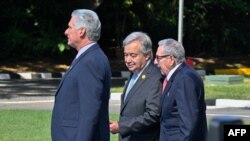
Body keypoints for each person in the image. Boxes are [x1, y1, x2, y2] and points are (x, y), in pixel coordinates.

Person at [51, 9, 111, 141]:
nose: (66, 31)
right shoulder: (87, 57)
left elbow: (89, 112)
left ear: (81, 31)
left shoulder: (92, 61)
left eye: (70, 27)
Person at [109, 31, 162, 141]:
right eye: (126, 55)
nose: (128, 60)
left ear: (147, 55)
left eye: (133, 55)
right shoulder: (135, 72)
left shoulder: (155, 77)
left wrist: (122, 126)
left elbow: (153, 115)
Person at [154, 38, 207, 141]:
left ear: (171, 59)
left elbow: (188, 124)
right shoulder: (178, 76)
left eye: (158, 58)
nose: (155, 62)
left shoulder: (184, 79)